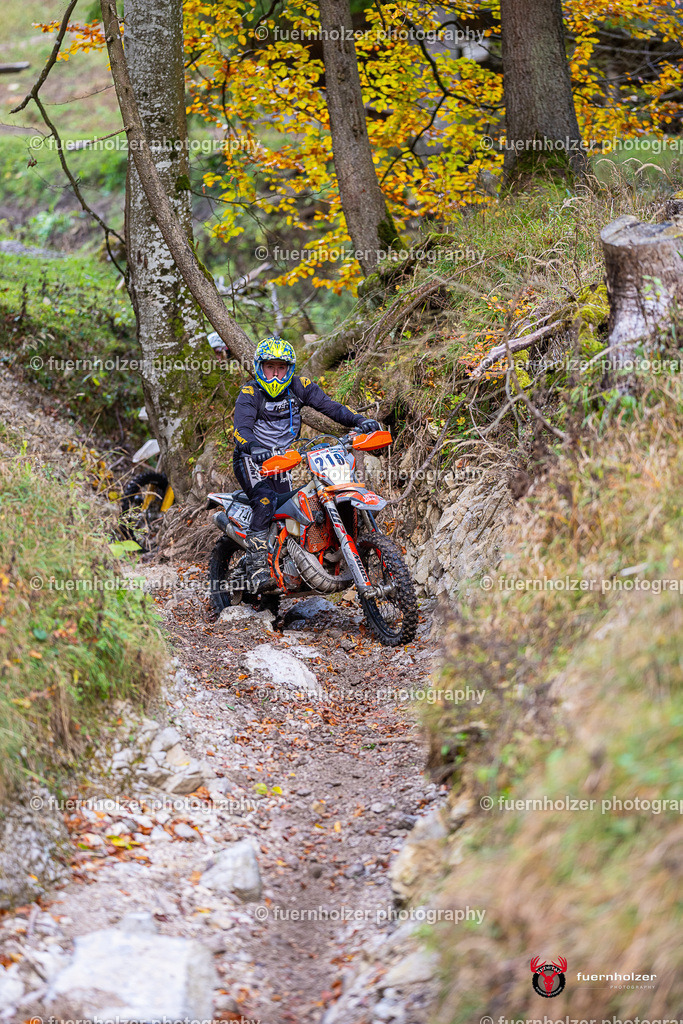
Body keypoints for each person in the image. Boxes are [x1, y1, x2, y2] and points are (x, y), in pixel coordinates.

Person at [233, 336, 380, 593]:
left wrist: (358, 420)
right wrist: (253, 447)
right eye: (270, 368)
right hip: (252, 459)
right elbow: (241, 429)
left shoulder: (299, 386)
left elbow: (330, 406)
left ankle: (295, 561)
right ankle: (256, 569)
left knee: (291, 509)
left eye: (282, 368)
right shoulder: (250, 393)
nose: (276, 375)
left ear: (290, 369)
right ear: (259, 367)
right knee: (266, 501)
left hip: (283, 460)